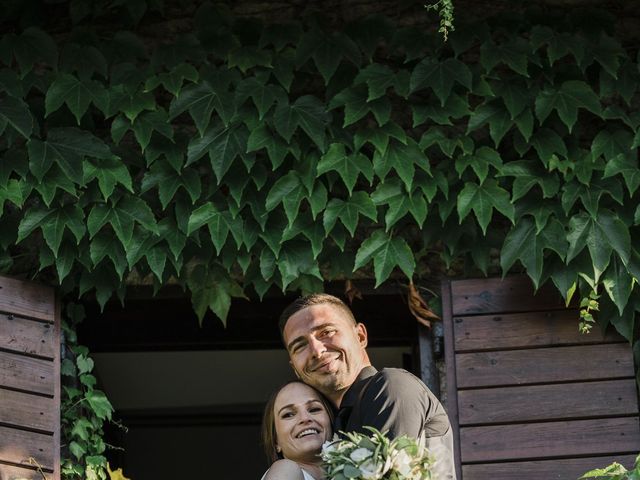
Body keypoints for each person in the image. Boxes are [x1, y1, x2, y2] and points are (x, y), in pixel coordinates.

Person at [279, 293, 456, 480]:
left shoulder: (392, 386)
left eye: (326, 332)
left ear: (361, 336)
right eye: (300, 346)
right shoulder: (329, 428)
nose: (317, 350)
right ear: (295, 369)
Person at [261, 380, 334, 480]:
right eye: (289, 415)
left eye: (314, 409)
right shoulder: (285, 469)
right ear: (275, 441)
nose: (305, 418)